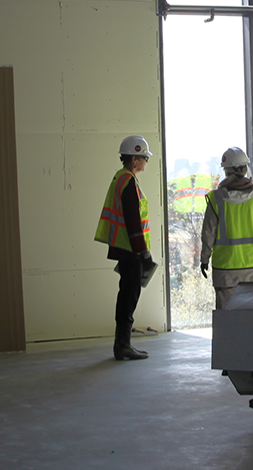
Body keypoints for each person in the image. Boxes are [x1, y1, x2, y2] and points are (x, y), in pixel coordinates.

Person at [94, 135, 160, 361]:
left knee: (126, 295)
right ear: (134, 159)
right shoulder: (128, 181)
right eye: (144, 158)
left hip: (124, 248)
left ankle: (122, 345)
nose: (146, 163)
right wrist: (143, 251)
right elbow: (133, 221)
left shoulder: (120, 178)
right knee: (129, 296)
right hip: (131, 249)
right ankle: (123, 346)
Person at [199, 147, 253, 307]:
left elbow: (208, 234)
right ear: (246, 169)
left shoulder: (216, 199)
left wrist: (205, 258)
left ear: (226, 171)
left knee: (226, 318)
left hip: (226, 269)